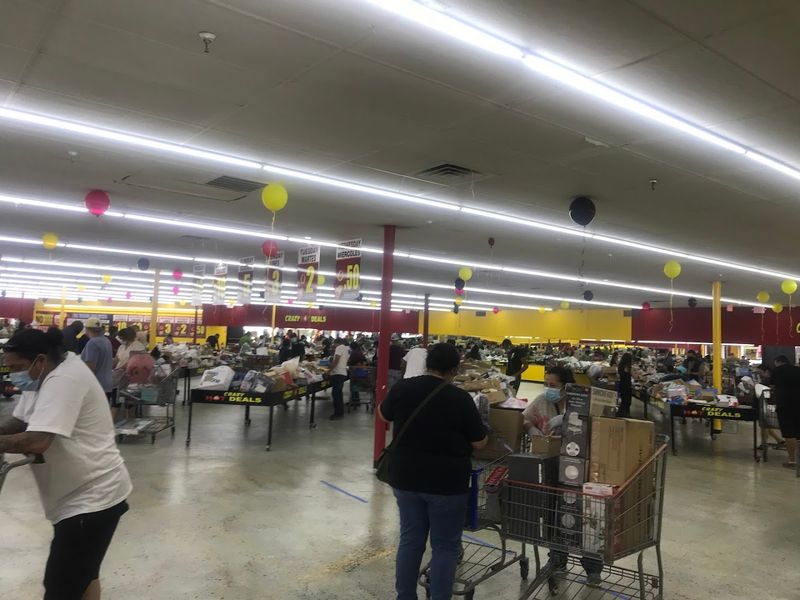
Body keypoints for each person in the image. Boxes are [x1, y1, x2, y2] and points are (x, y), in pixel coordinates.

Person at [0, 327, 131, 600]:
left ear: (39, 359)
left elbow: (37, 441)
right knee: (83, 575)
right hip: (76, 495)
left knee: (61, 586)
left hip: (91, 500)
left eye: (17, 367)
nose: (13, 374)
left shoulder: (65, 379)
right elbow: (21, 422)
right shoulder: (41, 376)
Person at [379, 343, 487, 600]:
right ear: (454, 369)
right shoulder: (460, 398)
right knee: (445, 547)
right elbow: (479, 442)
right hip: (446, 484)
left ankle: (405, 595)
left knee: (411, 540)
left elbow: (384, 416)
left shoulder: (404, 388)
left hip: (405, 479)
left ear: (428, 363)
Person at [521, 366, 602, 585]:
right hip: (552, 467)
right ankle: (557, 559)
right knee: (555, 513)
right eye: (545, 384)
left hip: (581, 469)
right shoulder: (542, 401)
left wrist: (568, 422)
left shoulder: (583, 403)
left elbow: (599, 428)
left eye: (553, 385)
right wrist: (532, 430)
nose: (548, 388)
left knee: (588, 518)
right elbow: (526, 418)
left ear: (566, 386)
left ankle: (592, 567)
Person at [770, 355, 800, 468]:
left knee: (789, 433)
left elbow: (772, 386)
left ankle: (792, 461)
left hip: (785, 405)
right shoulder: (797, 369)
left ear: (777, 362)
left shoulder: (777, 371)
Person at [81, 318, 114, 405]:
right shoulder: (106, 341)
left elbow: (90, 366)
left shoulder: (92, 343)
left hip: (96, 385)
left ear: (87, 329)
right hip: (107, 384)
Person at [329, 338, 350, 421]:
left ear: (336, 343)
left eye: (334, 344)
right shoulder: (346, 348)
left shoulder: (339, 348)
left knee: (336, 394)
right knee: (338, 394)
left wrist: (330, 370)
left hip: (338, 373)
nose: (334, 346)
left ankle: (338, 414)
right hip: (343, 373)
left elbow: (336, 360)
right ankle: (340, 412)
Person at [617, 352, 633, 418]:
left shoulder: (620, 365)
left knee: (624, 400)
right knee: (627, 401)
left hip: (622, 384)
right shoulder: (626, 367)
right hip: (626, 385)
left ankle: (622, 413)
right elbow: (627, 375)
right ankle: (625, 414)